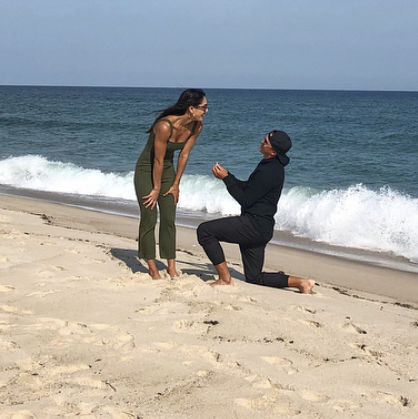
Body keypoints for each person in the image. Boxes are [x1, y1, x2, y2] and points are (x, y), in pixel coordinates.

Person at [197, 130, 315, 294]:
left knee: (205, 231)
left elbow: (245, 199)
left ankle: (225, 279)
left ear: (273, 151)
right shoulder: (269, 164)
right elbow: (249, 188)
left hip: (253, 225)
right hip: (261, 227)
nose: (261, 141)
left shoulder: (270, 170)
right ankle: (302, 283)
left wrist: (226, 179)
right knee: (254, 277)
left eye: (265, 142)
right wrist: (228, 175)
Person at [135, 88, 207, 280]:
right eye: (203, 107)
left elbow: (184, 155)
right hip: (146, 169)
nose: (206, 111)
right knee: (149, 216)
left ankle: (171, 267)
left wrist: (176, 184)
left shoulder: (197, 126)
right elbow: (157, 160)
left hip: (167, 169)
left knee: (169, 217)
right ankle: (152, 268)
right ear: (191, 108)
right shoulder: (164, 126)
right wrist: (156, 189)